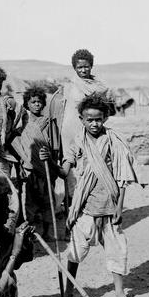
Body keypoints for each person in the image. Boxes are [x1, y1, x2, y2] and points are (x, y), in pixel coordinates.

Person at [41, 93, 140, 297]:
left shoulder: (114, 140)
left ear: (104, 117)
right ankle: (69, 290)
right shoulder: (77, 142)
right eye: (89, 119)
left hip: (110, 205)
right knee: (76, 252)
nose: (94, 123)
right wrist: (49, 160)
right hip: (85, 208)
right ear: (81, 119)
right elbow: (63, 171)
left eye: (98, 119)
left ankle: (120, 293)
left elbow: (122, 177)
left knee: (117, 251)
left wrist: (120, 208)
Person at [48, 49, 116, 197]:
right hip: (71, 130)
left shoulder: (101, 87)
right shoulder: (69, 86)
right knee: (71, 163)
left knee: (90, 163)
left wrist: (97, 123)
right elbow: (59, 107)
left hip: (91, 128)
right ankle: (73, 200)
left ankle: (90, 198)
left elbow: (108, 109)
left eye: (86, 66)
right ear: (74, 68)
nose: (83, 70)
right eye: (79, 67)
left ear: (91, 66)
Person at [10, 86, 60, 240]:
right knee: (30, 203)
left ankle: (48, 232)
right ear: (27, 104)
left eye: (39, 102)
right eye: (33, 102)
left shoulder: (49, 122)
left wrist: (53, 163)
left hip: (46, 167)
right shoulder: (23, 122)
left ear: (43, 104)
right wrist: (24, 158)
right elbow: (17, 140)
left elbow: (55, 145)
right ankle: (31, 234)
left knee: (48, 201)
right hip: (30, 169)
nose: (37, 105)